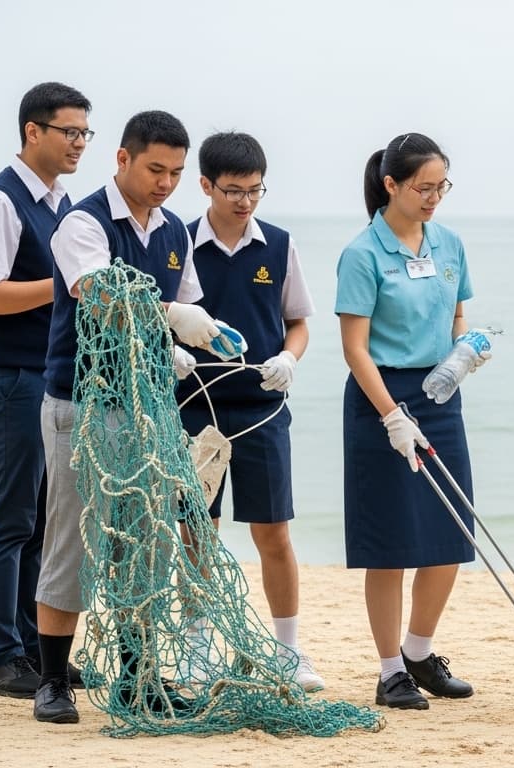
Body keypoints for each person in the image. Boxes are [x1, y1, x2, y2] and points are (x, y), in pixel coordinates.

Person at [33, 110, 229, 724]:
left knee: (145, 547)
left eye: (175, 172)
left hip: (152, 410)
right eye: (154, 169)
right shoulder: (83, 221)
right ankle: (52, 682)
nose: (165, 183)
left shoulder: (173, 229)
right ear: (122, 159)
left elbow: (190, 304)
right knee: (72, 543)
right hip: (81, 404)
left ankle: (138, 678)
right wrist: (172, 317)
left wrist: (199, 337)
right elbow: (100, 294)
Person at [335, 132, 485, 710]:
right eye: (423, 187)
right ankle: (390, 669)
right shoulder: (363, 253)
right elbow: (355, 348)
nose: (433, 198)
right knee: (390, 543)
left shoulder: (449, 243)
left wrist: (467, 350)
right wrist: (392, 416)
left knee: (451, 534)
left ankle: (420, 653)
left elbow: (457, 314)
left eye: (441, 186)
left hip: (439, 394)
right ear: (391, 185)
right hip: (381, 398)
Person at [174, 131, 322, 691]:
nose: (245, 201)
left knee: (273, 532)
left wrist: (289, 356)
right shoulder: (178, 240)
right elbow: (162, 313)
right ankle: (195, 646)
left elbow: (299, 321)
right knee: (197, 533)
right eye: (233, 190)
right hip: (194, 409)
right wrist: (176, 354)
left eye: (255, 191)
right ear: (206, 185)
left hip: (263, 409)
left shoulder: (279, 244)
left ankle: (288, 651)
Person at [0, 82, 92, 699]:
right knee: (10, 518)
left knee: (43, 521)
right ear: (32, 132)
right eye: (69, 131)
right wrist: (63, 281)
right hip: (7, 374)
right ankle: (1, 659)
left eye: (85, 133)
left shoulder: (61, 202)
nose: (79, 144)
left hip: (41, 378)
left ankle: (38, 654)